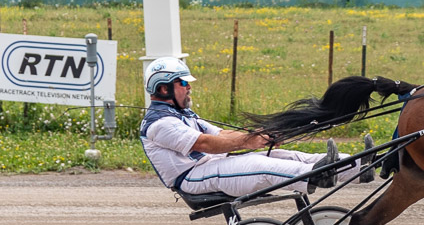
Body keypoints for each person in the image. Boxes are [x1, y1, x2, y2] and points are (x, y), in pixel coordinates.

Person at [139, 57, 374, 199]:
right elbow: (205, 143)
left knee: (286, 155)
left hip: (211, 167)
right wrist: (247, 142)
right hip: (193, 178)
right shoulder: (159, 124)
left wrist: (260, 137)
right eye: (183, 83)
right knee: (261, 165)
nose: (189, 88)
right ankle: (319, 175)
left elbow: (220, 134)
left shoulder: (182, 114)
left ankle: (358, 166)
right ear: (163, 89)